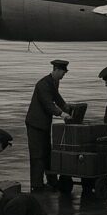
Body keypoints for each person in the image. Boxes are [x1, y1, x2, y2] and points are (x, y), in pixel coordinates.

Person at [25, 60, 75, 192]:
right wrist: (61, 114)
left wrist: (66, 107)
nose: (63, 75)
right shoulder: (43, 84)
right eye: (63, 73)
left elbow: (57, 97)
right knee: (37, 155)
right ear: (56, 70)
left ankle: (52, 181)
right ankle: (36, 185)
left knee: (47, 153)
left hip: (44, 124)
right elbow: (48, 104)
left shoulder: (54, 82)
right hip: (35, 124)